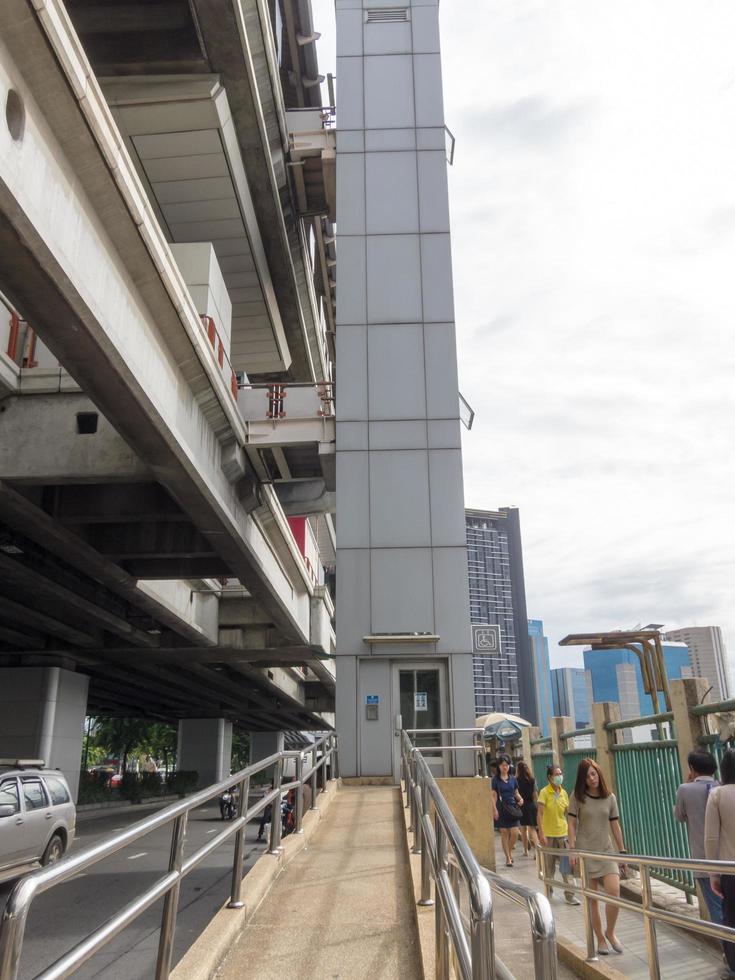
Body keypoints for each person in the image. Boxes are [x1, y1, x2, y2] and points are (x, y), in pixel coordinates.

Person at [567, 758, 626, 956]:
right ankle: (600, 938)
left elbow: (615, 825)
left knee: (614, 892)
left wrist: (622, 851)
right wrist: (573, 849)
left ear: (599, 773)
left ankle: (610, 932)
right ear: (582, 780)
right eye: (587, 776)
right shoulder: (576, 797)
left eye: (594, 774)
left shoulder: (610, 797)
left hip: (606, 850)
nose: (592, 778)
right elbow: (572, 825)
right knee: (592, 899)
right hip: (585, 851)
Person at [674, 750, 722, 925]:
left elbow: (679, 816)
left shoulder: (685, 789)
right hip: (727, 858)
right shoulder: (722, 787)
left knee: (716, 907)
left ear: (692, 768)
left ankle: (727, 948)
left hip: (702, 860)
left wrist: (686, 784)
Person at [705, 748, 735, 980]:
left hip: (729, 870)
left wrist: (713, 874)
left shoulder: (717, 794)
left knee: (730, 918)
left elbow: (711, 837)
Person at [537, 764, 580, 905]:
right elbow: (540, 814)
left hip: (563, 834)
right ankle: (548, 891)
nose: (559, 777)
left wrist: (573, 834)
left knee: (566, 867)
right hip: (549, 836)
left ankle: (570, 895)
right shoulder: (544, 792)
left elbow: (569, 814)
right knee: (548, 867)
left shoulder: (564, 793)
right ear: (550, 777)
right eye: (556, 774)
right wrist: (541, 833)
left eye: (560, 773)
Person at [492, 755, 524, 867]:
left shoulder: (513, 779)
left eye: (506, 765)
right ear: (499, 766)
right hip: (501, 808)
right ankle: (507, 858)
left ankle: (509, 852)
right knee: (504, 833)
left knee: (514, 833)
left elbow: (516, 792)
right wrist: (494, 810)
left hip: (512, 807)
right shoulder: (495, 780)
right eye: (502, 765)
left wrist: (520, 799)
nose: (504, 767)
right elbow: (493, 796)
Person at [516, 760, 539, 857]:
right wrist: (537, 806)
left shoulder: (516, 780)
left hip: (521, 806)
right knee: (533, 830)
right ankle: (537, 852)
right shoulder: (532, 779)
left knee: (523, 830)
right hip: (531, 805)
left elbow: (515, 794)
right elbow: (535, 795)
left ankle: (526, 851)